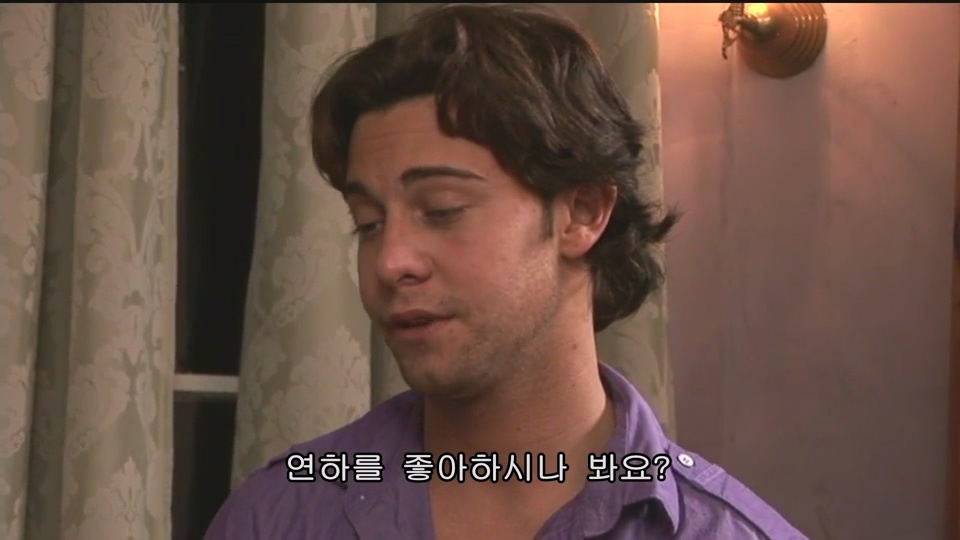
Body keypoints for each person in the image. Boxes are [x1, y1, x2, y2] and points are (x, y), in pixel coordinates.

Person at [206, 4, 806, 539]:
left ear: (582, 212)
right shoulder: (276, 517)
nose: (390, 262)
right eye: (368, 223)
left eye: (442, 210)